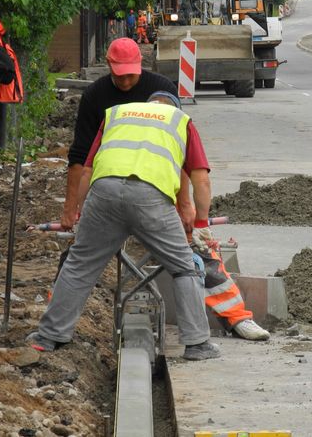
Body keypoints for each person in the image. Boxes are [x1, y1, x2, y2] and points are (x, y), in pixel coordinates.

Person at [60, 38, 270, 341]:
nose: (125, 80)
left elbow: (180, 162)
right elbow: (81, 159)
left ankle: (236, 317)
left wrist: (186, 209)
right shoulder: (96, 97)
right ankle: (62, 328)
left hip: (158, 197)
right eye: (119, 74)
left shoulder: (164, 95)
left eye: (131, 74)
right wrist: (71, 209)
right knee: (77, 257)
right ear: (109, 66)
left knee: (199, 254)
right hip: (109, 195)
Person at [28, 92, 220, 360]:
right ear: (172, 108)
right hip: (150, 198)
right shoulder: (181, 120)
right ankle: (197, 344)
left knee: (79, 264)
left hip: (103, 193)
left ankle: (48, 337)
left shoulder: (116, 114)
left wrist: (82, 212)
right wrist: (199, 222)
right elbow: (201, 180)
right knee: (185, 268)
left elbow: (86, 170)